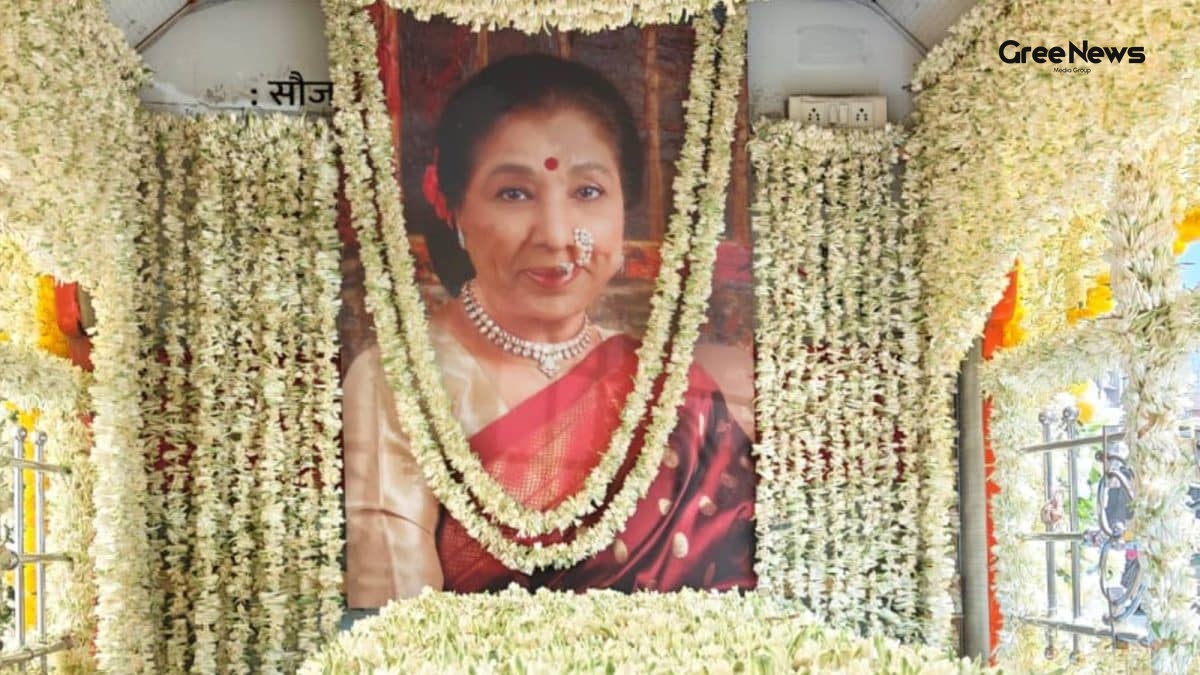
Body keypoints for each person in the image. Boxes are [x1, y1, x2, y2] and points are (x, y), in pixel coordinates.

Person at [343, 53, 756, 608]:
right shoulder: (404, 380)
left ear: (622, 211)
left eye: (587, 192)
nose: (558, 235)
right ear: (455, 209)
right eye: (514, 193)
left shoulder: (673, 390)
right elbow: (391, 625)